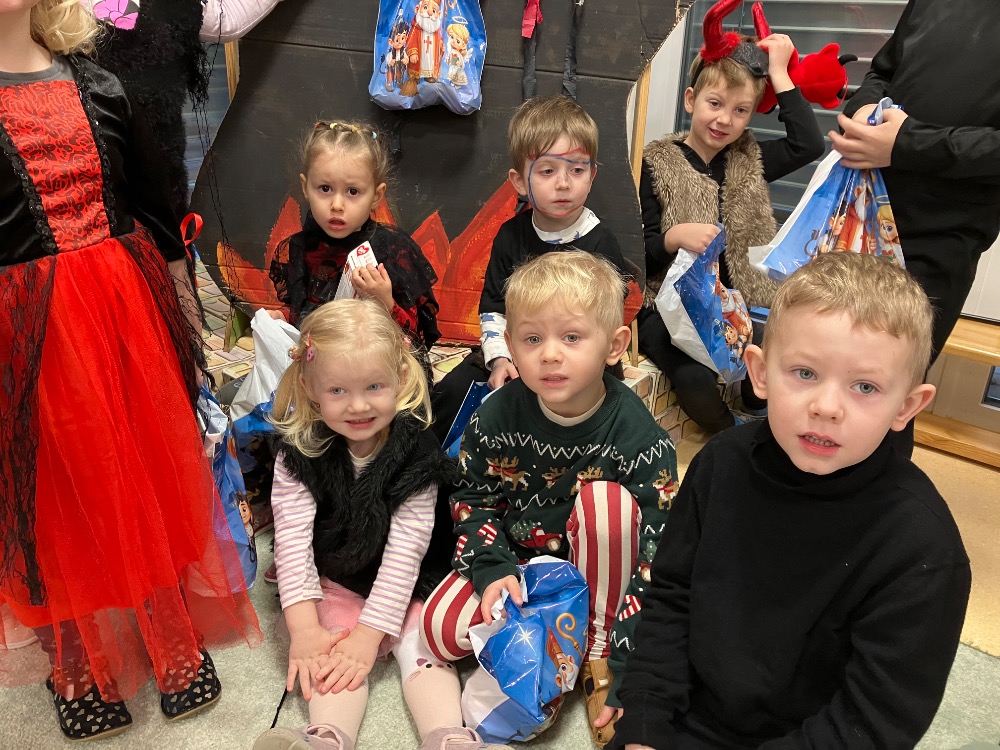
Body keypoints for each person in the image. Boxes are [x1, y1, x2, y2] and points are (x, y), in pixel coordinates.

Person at [0, 1, 260, 742]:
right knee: (55, 484)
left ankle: (168, 626)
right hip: (22, 330)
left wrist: (187, 331)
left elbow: (155, 206)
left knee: (141, 464)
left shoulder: (99, 84)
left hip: (121, 310)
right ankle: (76, 655)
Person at [613, 252, 971, 750]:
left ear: (907, 407)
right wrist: (645, 723)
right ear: (760, 374)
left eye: (865, 386)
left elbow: (874, 722)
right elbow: (671, 598)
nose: (826, 407)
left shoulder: (923, 549)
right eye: (804, 373)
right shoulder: (720, 464)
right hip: (687, 723)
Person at [422, 251, 679, 748]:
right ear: (510, 345)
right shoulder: (495, 415)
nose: (550, 355)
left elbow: (658, 552)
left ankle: (592, 648)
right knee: (438, 630)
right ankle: (548, 643)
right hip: (520, 562)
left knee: (608, 506)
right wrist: (492, 568)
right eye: (533, 339)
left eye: (572, 337)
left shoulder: (638, 435)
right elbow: (473, 497)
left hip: (595, 572)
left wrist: (627, 653)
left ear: (614, 346)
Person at [252, 299, 505, 750]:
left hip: (413, 579)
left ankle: (447, 736)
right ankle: (327, 739)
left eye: (374, 386)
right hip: (341, 574)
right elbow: (291, 542)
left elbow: (406, 551)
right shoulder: (298, 450)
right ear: (309, 386)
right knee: (331, 651)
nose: (358, 406)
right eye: (337, 391)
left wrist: (371, 635)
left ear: (401, 378)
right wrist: (304, 629)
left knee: (423, 646)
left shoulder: (417, 452)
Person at [636, 22, 824, 434]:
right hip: (668, 305)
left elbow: (809, 144)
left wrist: (780, 74)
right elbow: (639, 252)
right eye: (715, 103)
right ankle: (731, 434)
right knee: (693, 379)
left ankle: (757, 405)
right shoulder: (654, 164)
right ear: (691, 100)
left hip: (739, 302)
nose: (724, 119)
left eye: (740, 111)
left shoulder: (748, 159)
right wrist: (674, 238)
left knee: (787, 347)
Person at [830, 0, 1000, 453]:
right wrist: (865, 108)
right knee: (828, 364)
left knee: (884, 388)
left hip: (943, 235)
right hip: (860, 209)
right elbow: (882, 71)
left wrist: (908, 144)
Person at [430, 94, 627, 443]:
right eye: (548, 170)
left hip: (580, 361)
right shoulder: (511, 236)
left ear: (592, 175)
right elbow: (494, 308)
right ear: (520, 181)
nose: (563, 183)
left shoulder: (601, 243)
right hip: (519, 349)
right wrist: (500, 360)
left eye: (577, 170)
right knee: (450, 394)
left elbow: (604, 327)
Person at [269, 120, 440, 370]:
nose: (337, 205)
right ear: (306, 187)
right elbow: (302, 311)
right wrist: (282, 318)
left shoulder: (392, 251)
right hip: (322, 368)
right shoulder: (303, 248)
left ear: (376, 196)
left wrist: (385, 303)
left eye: (352, 192)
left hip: (375, 370)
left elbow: (413, 339)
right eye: (325, 188)